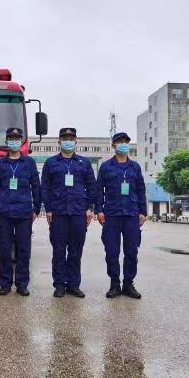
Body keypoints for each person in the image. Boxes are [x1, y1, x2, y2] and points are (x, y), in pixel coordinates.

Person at [41, 127, 98, 298]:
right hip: (58, 214)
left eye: (71, 139)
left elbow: (92, 186)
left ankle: (73, 284)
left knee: (75, 251)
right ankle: (59, 284)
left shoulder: (84, 163)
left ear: (76, 141)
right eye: (65, 138)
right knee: (58, 251)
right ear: (59, 141)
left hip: (78, 213)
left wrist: (90, 208)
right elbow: (45, 187)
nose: (68, 141)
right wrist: (48, 209)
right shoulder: (51, 163)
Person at [95, 132, 147, 299]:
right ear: (113, 145)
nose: (123, 145)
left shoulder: (135, 167)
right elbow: (99, 190)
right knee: (111, 250)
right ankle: (115, 284)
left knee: (131, 251)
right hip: (111, 214)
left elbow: (141, 190)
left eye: (125, 142)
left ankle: (128, 284)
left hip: (132, 214)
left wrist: (143, 211)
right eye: (119, 142)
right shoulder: (105, 167)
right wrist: (99, 210)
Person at [0, 127, 41, 296]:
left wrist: (36, 208)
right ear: (6, 142)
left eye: (17, 139)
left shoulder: (29, 163)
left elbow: (36, 186)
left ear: (21, 142)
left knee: (23, 250)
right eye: (11, 139)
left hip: (24, 212)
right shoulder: (1, 164)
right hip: (4, 212)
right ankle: (5, 284)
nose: (14, 142)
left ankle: (22, 284)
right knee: (4, 249)